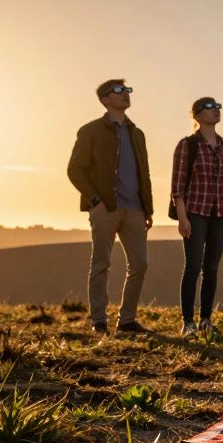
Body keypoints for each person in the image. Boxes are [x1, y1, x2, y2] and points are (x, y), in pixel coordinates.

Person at [66, 78, 154, 335]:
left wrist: (147, 209)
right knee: (101, 264)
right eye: (118, 90)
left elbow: (144, 173)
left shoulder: (137, 133)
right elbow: (75, 170)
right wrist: (96, 201)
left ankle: (127, 320)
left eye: (127, 90)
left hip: (136, 210)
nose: (125, 94)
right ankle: (98, 321)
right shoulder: (90, 130)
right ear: (105, 100)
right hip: (106, 208)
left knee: (139, 265)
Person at [171, 97, 223, 338]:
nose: (216, 111)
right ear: (198, 116)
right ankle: (188, 322)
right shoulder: (188, 145)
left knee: (211, 268)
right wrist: (182, 217)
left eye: (218, 107)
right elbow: (178, 186)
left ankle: (206, 320)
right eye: (210, 108)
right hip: (195, 213)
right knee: (192, 267)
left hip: (221, 214)